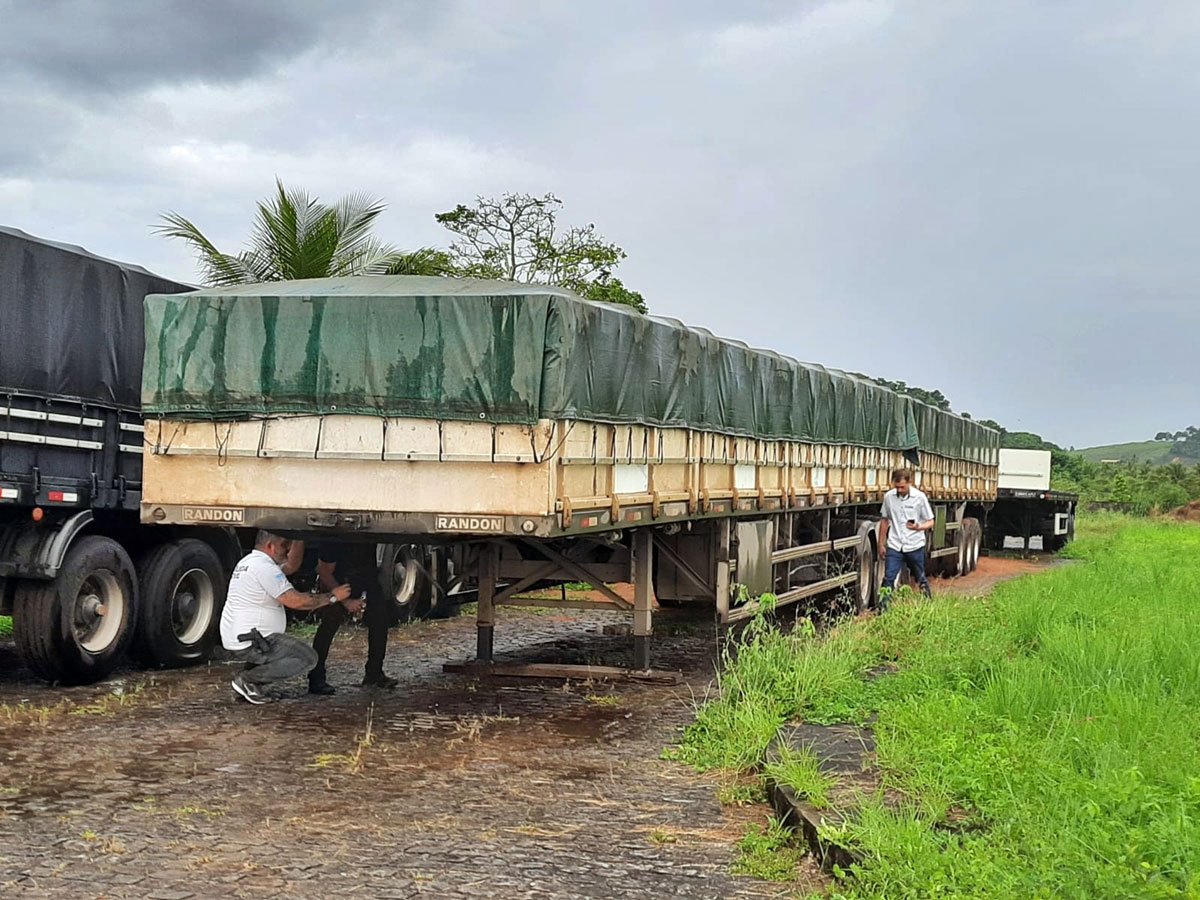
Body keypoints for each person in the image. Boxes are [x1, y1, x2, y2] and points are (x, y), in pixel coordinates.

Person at [220, 530, 360, 704]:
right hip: (255, 640)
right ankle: (248, 680)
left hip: (244, 637)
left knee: (285, 649)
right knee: (307, 657)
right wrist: (333, 596)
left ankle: (252, 685)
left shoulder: (251, 562)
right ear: (270, 546)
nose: (287, 549)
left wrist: (298, 537)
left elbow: (291, 565)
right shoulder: (264, 567)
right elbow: (296, 601)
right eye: (284, 545)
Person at [307, 541, 398, 693]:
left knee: (380, 619)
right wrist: (345, 601)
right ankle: (316, 678)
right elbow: (324, 571)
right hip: (338, 581)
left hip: (366, 578)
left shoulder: (368, 534)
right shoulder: (333, 540)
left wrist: (363, 596)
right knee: (329, 624)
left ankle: (374, 674)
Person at [878, 468, 935, 602]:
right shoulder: (888, 497)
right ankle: (883, 610)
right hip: (895, 544)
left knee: (920, 577)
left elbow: (931, 521)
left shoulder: (920, 498)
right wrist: (881, 543)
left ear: (910, 482)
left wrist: (919, 527)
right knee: (888, 578)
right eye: (896, 487)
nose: (899, 490)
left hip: (914, 545)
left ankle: (928, 604)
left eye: (902, 487)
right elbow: (884, 520)